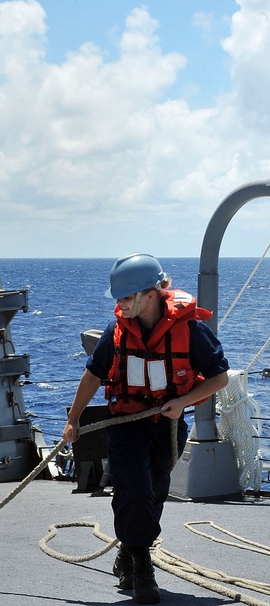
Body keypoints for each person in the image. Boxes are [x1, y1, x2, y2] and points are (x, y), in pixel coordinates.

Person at [63, 253, 230, 605]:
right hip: (127, 424)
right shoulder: (117, 332)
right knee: (133, 490)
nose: (119, 305)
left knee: (154, 491)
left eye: (125, 298)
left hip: (166, 425)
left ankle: (129, 550)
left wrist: (183, 402)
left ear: (150, 295)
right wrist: (74, 419)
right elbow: (93, 375)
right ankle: (142, 566)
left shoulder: (190, 330)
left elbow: (219, 377)